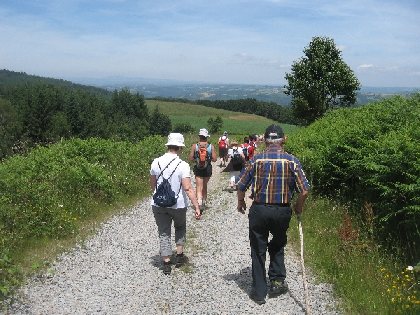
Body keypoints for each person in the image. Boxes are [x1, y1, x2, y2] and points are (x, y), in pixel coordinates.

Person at [236, 124, 310, 305]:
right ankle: (277, 281)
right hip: (282, 210)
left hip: (260, 209)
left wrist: (241, 202)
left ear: (266, 141)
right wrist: (298, 207)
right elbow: (304, 190)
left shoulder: (256, 160)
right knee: (278, 242)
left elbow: (240, 185)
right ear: (284, 140)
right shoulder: (292, 161)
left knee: (258, 248)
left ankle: (259, 292)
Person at [150, 133, 201, 275]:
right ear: (180, 147)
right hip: (178, 204)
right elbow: (188, 188)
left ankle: (166, 263)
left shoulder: (156, 162)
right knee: (180, 227)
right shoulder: (183, 165)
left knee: (164, 231)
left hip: (158, 203)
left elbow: (152, 185)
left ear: (168, 145)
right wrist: (196, 206)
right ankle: (179, 256)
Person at [189, 128, 217, 212]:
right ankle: (204, 202)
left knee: (198, 186)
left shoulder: (195, 146)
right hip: (207, 168)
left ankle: (199, 203)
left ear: (199, 136)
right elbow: (215, 159)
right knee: (204, 186)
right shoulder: (210, 146)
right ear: (206, 137)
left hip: (198, 168)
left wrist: (196, 158)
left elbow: (190, 158)